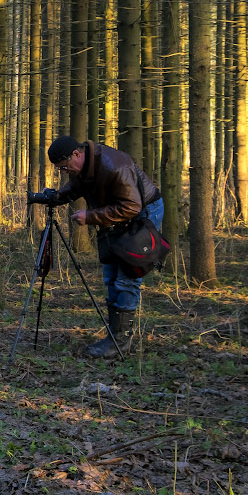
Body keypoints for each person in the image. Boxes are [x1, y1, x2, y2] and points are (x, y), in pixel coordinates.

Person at [44, 135, 164, 357]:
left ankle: (120, 341)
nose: (64, 172)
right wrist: (56, 196)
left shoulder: (113, 166)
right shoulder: (83, 167)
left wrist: (90, 216)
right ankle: (115, 335)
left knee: (127, 276)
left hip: (142, 213)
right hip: (116, 216)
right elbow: (75, 187)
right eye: (60, 169)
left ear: (76, 154)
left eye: (64, 167)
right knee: (111, 275)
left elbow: (132, 206)